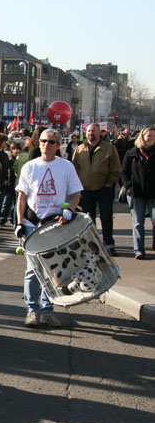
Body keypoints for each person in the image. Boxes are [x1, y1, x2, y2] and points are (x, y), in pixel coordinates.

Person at [15, 128, 82, 328]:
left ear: (58, 145)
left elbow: (76, 194)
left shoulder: (66, 166)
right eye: (43, 141)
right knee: (33, 270)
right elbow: (22, 197)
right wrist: (19, 222)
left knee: (53, 270)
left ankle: (47, 310)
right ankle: (32, 310)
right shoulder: (30, 166)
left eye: (51, 142)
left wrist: (69, 210)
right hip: (32, 223)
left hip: (55, 223)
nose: (46, 144)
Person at [72, 123, 121, 256]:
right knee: (88, 219)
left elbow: (116, 168)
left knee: (106, 217)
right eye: (88, 131)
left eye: (93, 131)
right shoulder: (80, 149)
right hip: (86, 189)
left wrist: (109, 184)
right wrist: (77, 186)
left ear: (100, 133)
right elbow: (74, 168)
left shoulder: (109, 149)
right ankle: (91, 245)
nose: (90, 134)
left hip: (103, 188)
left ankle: (109, 244)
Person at [120, 126, 155, 259]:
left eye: (153, 136)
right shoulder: (131, 153)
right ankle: (139, 249)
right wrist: (129, 186)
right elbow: (123, 173)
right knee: (138, 223)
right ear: (142, 137)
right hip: (136, 192)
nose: (151, 138)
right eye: (149, 135)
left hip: (153, 193)